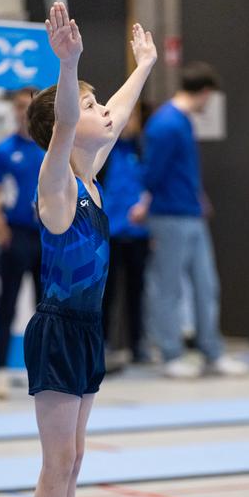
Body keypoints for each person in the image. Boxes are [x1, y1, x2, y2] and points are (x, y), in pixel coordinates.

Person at [23, 2, 156, 497]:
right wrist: (69, 65)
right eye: (92, 107)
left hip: (86, 328)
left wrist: (146, 66)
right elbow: (69, 126)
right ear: (67, 129)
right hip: (56, 329)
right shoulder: (56, 185)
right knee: (57, 463)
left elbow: (118, 114)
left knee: (73, 460)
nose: (108, 113)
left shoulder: (91, 179)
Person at [132, 62, 247, 378]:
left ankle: (212, 351)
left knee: (206, 284)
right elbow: (152, 172)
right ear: (206, 92)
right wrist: (146, 201)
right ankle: (170, 353)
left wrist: (199, 197)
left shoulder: (181, 121)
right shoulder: (166, 124)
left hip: (191, 212)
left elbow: (182, 170)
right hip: (169, 215)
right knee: (168, 287)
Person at [0, 87, 45, 399]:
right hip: (16, 234)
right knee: (6, 303)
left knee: (47, 308)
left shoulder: (51, 148)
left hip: (47, 236)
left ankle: (44, 369)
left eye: (29, 107)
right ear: (14, 110)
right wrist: (1, 230)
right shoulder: (3, 151)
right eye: (19, 107)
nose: (24, 112)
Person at [102, 106, 150, 364]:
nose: (128, 122)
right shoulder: (103, 151)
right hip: (109, 233)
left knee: (137, 292)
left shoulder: (144, 152)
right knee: (106, 294)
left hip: (138, 233)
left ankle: (137, 345)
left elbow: (151, 186)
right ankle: (104, 343)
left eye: (133, 117)